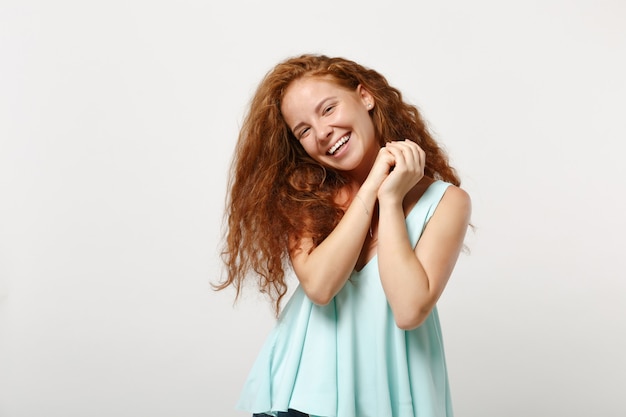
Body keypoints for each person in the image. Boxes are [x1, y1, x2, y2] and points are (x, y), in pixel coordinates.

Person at [216, 54, 472, 417]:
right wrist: (371, 189)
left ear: (365, 97)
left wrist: (392, 196)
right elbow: (320, 287)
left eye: (328, 109)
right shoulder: (304, 192)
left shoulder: (447, 203)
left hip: (393, 393)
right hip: (304, 392)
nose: (322, 133)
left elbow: (409, 308)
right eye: (303, 130)